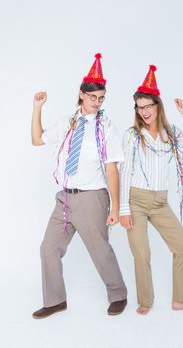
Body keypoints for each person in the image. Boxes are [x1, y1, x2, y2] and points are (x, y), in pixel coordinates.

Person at [31, 53, 127, 319]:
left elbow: (112, 168)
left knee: (100, 249)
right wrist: (37, 108)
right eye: (92, 96)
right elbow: (37, 140)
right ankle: (55, 301)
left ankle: (118, 294)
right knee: (48, 248)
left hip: (91, 198)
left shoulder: (106, 127)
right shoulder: (67, 123)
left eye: (101, 98)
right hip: (64, 198)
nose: (97, 102)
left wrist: (115, 208)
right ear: (82, 95)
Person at [119, 65, 183, 315]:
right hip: (136, 200)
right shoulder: (133, 136)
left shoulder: (170, 133)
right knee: (142, 254)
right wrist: (124, 208)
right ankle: (146, 300)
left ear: (158, 106)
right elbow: (124, 173)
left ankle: (182, 299)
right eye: (139, 107)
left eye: (148, 106)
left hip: (160, 203)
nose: (144, 111)